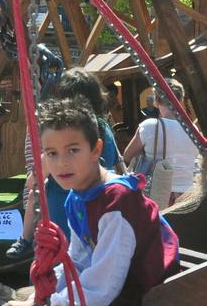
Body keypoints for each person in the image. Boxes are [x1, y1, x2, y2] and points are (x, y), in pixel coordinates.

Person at [3, 98, 180, 306]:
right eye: (51, 153)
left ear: (96, 150)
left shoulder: (116, 204)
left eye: (73, 150)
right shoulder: (78, 197)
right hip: (111, 294)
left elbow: (102, 286)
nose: (62, 162)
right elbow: (78, 261)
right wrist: (40, 299)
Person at [7, 68, 122, 261]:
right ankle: (26, 238)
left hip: (64, 209)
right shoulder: (104, 129)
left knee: (60, 262)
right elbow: (116, 162)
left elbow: (34, 180)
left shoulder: (65, 132)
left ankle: (25, 238)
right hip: (100, 206)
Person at [123, 79, 201, 207]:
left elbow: (126, 156)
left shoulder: (149, 126)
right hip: (188, 196)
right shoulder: (193, 129)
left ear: (156, 101)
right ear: (180, 100)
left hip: (158, 195)